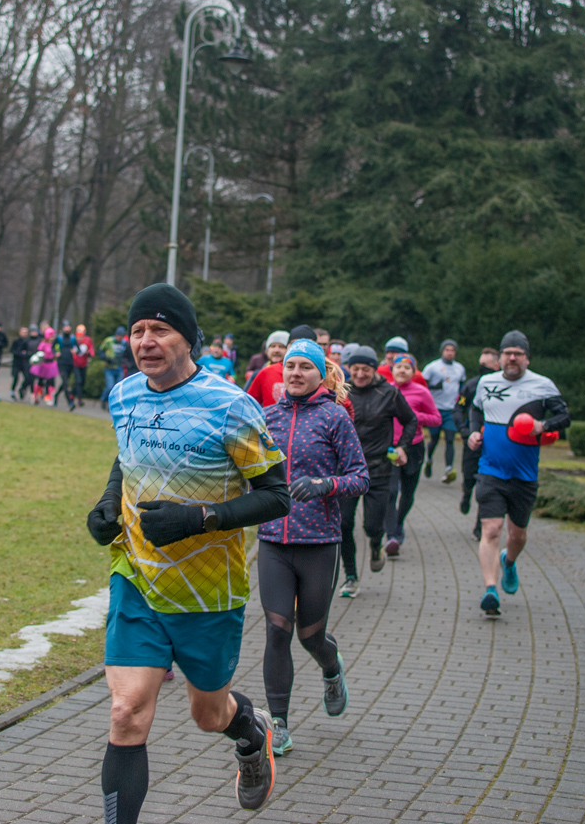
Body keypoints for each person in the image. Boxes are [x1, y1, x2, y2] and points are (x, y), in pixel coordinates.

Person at [86, 284, 290, 822]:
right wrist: (109, 503)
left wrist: (200, 518)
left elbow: (276, 495)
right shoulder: (125, 394)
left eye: (160, 330)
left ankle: (249, 733)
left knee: (208, 713)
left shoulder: (230, 406)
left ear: (188, 339)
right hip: (137, 577)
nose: (145, 341)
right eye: (137, 331)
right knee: (127, 710)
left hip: (206, 591)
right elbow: (125, 456)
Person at [258, 339, 367, 755]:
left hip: (319, 541)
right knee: (275, 631)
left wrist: (325, 485)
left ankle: (331, 666)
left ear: (321, 374)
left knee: (310, 634)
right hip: (273, 541)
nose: (296, 373)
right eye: (290, 366)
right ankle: (279, 725)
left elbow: (360, 476)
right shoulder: (266, 418)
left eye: (306, 366)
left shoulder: (335, 417)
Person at [467, 331, 571, 616]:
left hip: (524, 475)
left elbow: (565, 418)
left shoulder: (542, 385)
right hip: (490, 471)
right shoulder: (486, 383)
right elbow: (476, 411)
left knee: (518, 535)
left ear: (527, 358)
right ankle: (490, 589)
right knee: (491, 530)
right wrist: (474, 432)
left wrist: (542, 425)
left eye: (518, 354)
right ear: (500, 357)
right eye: (507, 353)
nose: (512, 358)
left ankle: (509, 562)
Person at [338, 345, 418, 598]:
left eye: (366, 369)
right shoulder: (341, 391)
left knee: (373, 525)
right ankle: (350, 576)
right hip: (346, 469)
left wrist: (402, 447)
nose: (360, 374)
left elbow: (411, 420)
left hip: (379, 469)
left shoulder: (389, 393)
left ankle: (375, 545)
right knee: (343, 524)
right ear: (349, 368)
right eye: (356, 369)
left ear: (374, 369)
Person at [383, 354, 441, 556]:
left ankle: (398, 523)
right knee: (389, 492)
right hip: (389, 448)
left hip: (413, 448)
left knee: (407, 493)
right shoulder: (385, 391)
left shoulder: (422, 392)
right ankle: (391, 536)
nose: (402, 371)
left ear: (413, 372)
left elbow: (436, 419)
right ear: (392, 369)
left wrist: (416, 416)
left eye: (407, 368)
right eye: (398, 366)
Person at [455, 347, 501, 537]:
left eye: (487, 366)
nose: (483, 369)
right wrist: (466, 432)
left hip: (494, 444)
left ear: (497, 366)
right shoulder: (472, 385)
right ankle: (466, 493)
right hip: (472, 440)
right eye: (480, 365)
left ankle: (480, 526)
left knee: (487, 483)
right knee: (469, 476)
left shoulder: (504, 388)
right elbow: (458, 409)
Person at [423, 339, 466, 483]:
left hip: (450, 410)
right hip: (435, 408)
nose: (450, 353)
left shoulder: (459, 368)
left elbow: (462, 386)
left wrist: (460, 403)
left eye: (452, 350)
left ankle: (448, 469)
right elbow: (423, 385)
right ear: (442, 351)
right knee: (434, 439)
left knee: (450, 439)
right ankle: (428, 460)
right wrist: (434, 387)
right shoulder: (433, 367)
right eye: (447, 350)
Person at [245, 330, 291, 406]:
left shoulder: (295, 374)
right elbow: (247, 403)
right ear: (266, 350)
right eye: (273, 346)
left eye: (281, 347)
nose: (276, 350)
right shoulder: (258, 374)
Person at [30, 327, 59, 405]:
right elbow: (39, 353)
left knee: (50, 381)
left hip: (51, 364)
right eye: (50, 336)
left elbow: (57, 351)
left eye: (53, 336)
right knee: (40, 381)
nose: (52, 338)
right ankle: (35, 395)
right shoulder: (43, 344)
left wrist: (57, 354)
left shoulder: (54, 345)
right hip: (43, 364)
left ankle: (49, 396)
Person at [100, 326, 128, 405]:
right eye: (119, 336)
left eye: (122, 336)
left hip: (119, 367)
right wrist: (106, 358)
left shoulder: (124, 343)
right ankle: (103, 399)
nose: (120, 338)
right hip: (109, 367)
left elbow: (127, 353)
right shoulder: (109, 341)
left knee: (118, 388)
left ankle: (113, 403)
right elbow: (101, 351)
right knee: (110, 386)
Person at [53, 323, 77, 408]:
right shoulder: (59, 338)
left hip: (70, 363)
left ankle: (56, 395)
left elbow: (78, 349)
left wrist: (75, 351)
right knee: (66, 382)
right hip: (61, 363)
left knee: (64, 383)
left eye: (68, 327)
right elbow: (53, 347)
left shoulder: (73, 339)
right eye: (65, 327)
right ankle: (70, 402)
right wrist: (56, 353)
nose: (67, 329)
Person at [71, 324, 94, 408]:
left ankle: (72, 394)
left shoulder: (88, 340)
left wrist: (90, 354)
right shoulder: (73, 340)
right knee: (79, 381)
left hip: (83, 364)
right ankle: (79, 399)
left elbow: (91, 349)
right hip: (75, 364)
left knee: (82, 381)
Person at [9, 326, 33, 401]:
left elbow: (30, 352)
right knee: (16, 378)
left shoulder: (28, 341)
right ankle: (12, 391)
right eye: (23, 332)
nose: (25, 334)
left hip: (25, 362)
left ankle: (22, 389)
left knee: (27, 378)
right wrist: (20, 353)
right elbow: (13, 350)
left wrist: (26, 354)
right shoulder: (16, 341)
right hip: (17, 362)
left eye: (26, 332)